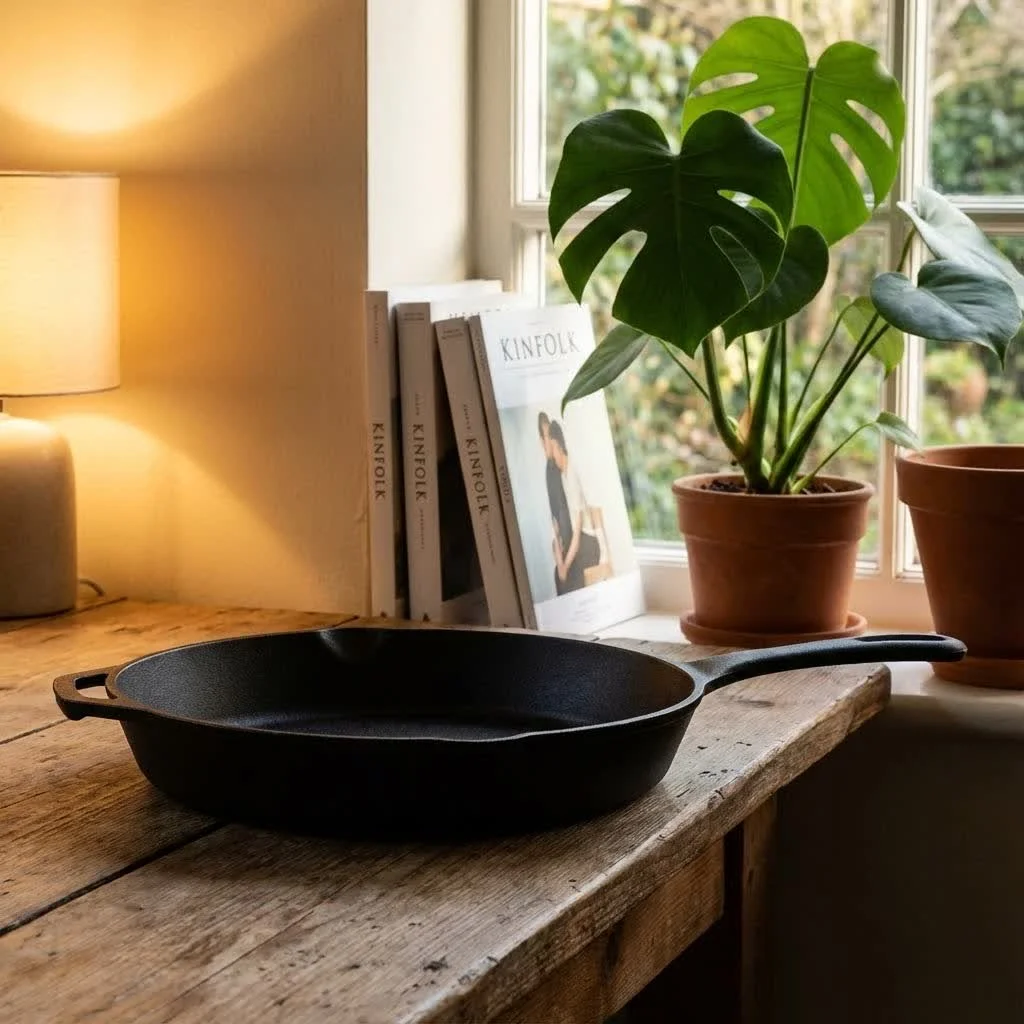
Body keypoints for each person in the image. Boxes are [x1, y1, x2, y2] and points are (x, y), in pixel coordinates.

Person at [547, 419, 601, 593]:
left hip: (588, 543)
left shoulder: (572, 475)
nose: (551, 454)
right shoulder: (564, 475)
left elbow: (577, 536)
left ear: (556, 445)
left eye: (551, 448)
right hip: (580, 541)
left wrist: (564, 565)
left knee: (565, 576)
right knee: (559, 573)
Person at [538, 411, 572, 595]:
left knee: (562, 575)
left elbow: (565, 509)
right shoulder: (549, 470)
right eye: (545, 436)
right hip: (562, 530)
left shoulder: (557, 467)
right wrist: (558, 548)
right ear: (541, 440)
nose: (548, 443)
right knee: (558, 575)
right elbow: (555, 515)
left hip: (569, 528)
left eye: (550, 435)